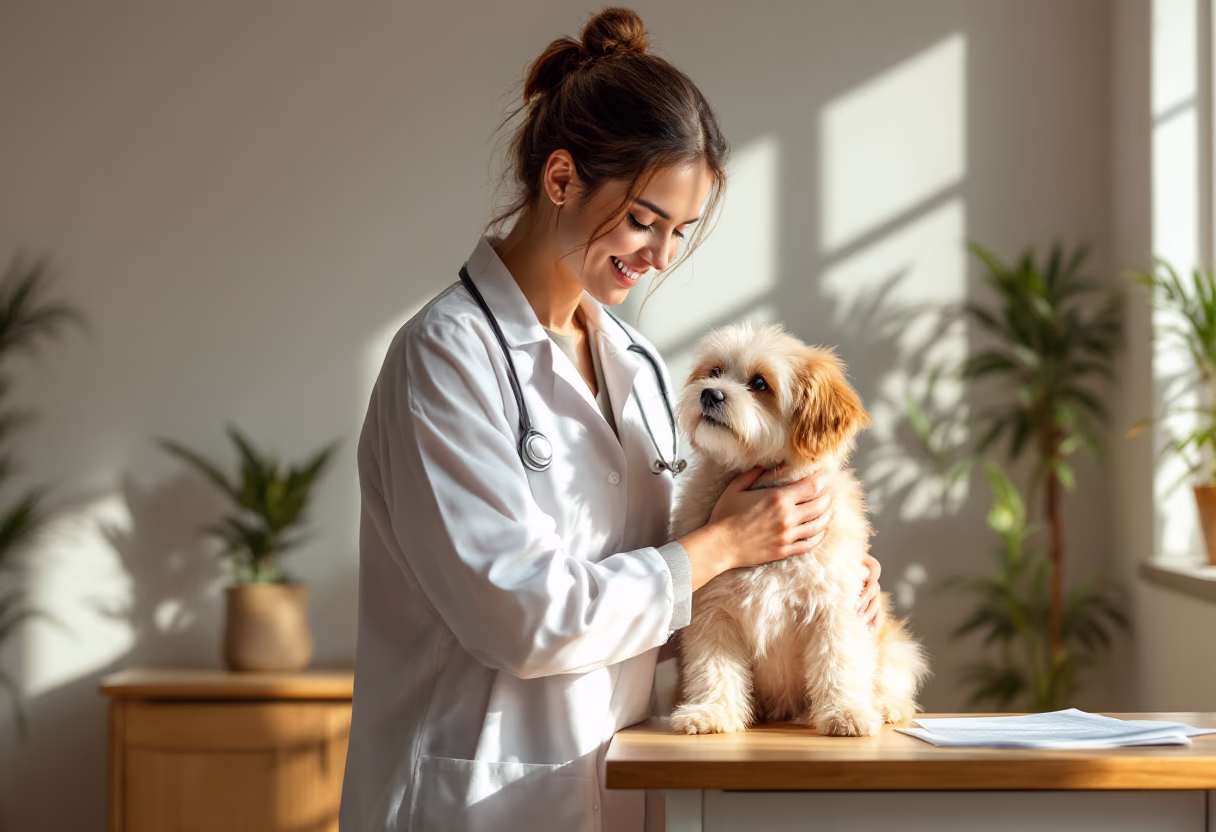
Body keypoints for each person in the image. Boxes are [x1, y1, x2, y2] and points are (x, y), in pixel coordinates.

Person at [339, 8, 883, 831]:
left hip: (619, 785)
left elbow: (646, 604)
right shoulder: (444, 359)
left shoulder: (632, 360)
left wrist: (805, 595)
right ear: (561, 180)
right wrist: (723, 546)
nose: (661, 256)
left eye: (679, 231)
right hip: (476, 796)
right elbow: (524, 617)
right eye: (643, 220)